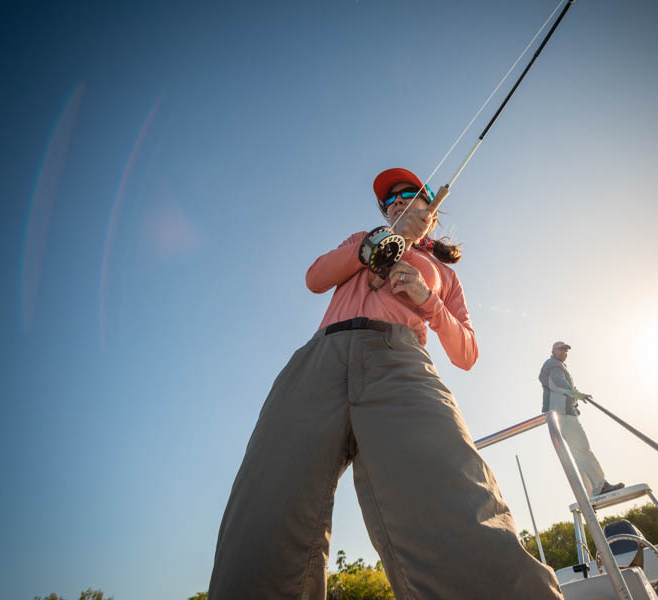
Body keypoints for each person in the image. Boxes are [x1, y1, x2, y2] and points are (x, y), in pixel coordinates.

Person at [208, 168, 563, 599]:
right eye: (388, 199)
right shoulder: (362, 238)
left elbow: (467, 353)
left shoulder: (443, 274)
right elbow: (314, 278)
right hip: (320, 358)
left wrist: (425, 297)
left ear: (429, 208)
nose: (395, 200)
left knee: (451, 499)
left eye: (408, 193)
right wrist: (368, 245)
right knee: (265, 506)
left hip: (401, 364)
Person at [539, 341, 624, 497]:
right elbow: (558, 383)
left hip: (560, 414)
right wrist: (577, 395)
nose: (564, 352)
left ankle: (592, 492)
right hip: (563, 413)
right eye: (561, 350)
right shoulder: (554, 364)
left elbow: (562, 385)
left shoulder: (557, 366)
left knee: (578, 453)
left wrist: (576, 394)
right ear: (553, 351)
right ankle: (600, 485)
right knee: (583, 449)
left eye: (566, 350)